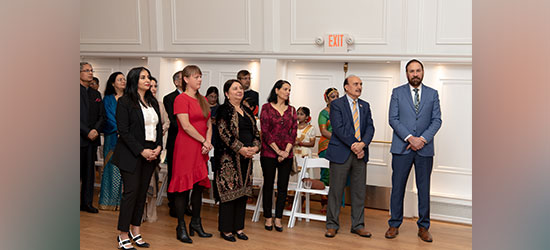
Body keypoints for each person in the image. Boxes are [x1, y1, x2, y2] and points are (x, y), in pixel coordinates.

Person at [385, 59, 442, 243]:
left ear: (423, 72)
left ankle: (424, 227)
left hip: (424, 150)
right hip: (402, 148)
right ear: (406, 73)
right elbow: (393, 119)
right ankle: (394, 224)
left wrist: (422, 140)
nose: (415, 74)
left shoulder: (433, 94)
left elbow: (437, 120)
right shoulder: (397, 92)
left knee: (424, 189)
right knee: (398, 187)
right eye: (411, 71)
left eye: (418, 70)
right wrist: (410, 138)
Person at [112, 67, 163, 249]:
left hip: (151, 153)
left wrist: (158, 147)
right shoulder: (125, 101)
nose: (147, 80)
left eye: (148, 77)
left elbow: (158, 128)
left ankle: (136, 230)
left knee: (142, 194)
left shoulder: (152, 101)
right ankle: (123, 234)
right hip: (131, 154)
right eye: (143, 77)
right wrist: (142, 151)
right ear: (134, 80)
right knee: (131, 194)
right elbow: (123, 132)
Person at [324, 75, 375, 238]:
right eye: (355, 84)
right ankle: (332, 225)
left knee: (359, 191)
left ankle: (358, 225)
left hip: (360, 154)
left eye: (361, 84)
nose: (359, 87)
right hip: (341, 153)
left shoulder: (365, 105)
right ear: (346, 87)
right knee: (336, 191)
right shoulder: (337, 104)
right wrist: (355, 145)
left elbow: (370, 128)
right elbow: (338, 128)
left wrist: (362, 145)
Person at [169, 65, 213, 244]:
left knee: (198, 187)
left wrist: (207, 142)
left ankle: (196, 222)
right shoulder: (181, 99)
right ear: (186, 79)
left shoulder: (203, 99)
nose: (200, 80)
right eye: (196, 77)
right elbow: (186, 126)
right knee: (182, 188)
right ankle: (181, 227)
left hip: (201, 147)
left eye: (201, 76)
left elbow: (209, 123)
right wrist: (204, 141)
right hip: (186, 147)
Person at [214, 79, 261, 242]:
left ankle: (239, 228)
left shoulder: (247, 111)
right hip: (228, 159)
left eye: (240, 88)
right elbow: (223, 133)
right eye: (235, 89)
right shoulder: (223, 110)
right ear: (227, 94)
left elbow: (256, 133)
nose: (239, 91)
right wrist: (240, 148)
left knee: (242, 193)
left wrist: (255, 148)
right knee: (229, 193)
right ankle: (226, 230)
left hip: (247, 158)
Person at [259, 80, 297, 232]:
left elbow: (293, 133)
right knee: (268, 185)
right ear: (277, 90)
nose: (288, 92)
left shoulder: (292, 110)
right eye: (285, 89)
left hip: (286, 154)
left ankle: (279, 218)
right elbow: (265, 132)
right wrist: (278, 151)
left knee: (283, 187)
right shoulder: (266, 108)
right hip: (269, 153)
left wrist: (285, 152)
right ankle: (268, 217)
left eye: (289, 89)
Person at [80, 62, 105, 214]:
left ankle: (87, 203)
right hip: (78, 138)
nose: (90, 73)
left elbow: (102, 116)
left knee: (89, 174)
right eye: (87, 70)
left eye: (91, 70)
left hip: (92, 140)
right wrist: (86, 131)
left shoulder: (96, 94)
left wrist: (95, 129)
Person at [98, 72, 126, 211]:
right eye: (119, 79)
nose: (123, 81)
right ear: (113, 83)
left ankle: (122, 203)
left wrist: (125, 132)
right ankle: (108, 201)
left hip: (127, 139)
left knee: (124, 170)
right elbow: (108, 117)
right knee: (111, 169)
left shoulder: (129, 98)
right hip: (112, 137)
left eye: (124, 79)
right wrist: (119, 130)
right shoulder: (108, 99)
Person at [162, 70, 188, 218]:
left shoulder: (192, 97)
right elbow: (173, 120)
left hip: (190, 143)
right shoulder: (169, 98)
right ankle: (173, 204)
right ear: (177, 82)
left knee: (187, 174)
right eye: (182, 79)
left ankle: (186, 204)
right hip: (175, 140)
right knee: (174, 173)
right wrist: (188, 129)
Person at [317, 88, 339, 213]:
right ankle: (324, 204)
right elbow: (324, 131)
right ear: (327, 98)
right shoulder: (324, 113)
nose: (335, 99)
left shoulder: (341, 111)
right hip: (326, 147)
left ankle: (335, 204)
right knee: (326, 175)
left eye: (337, 96)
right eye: (332, 96)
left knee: (338, 175)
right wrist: (339, 138)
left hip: (339, 148)